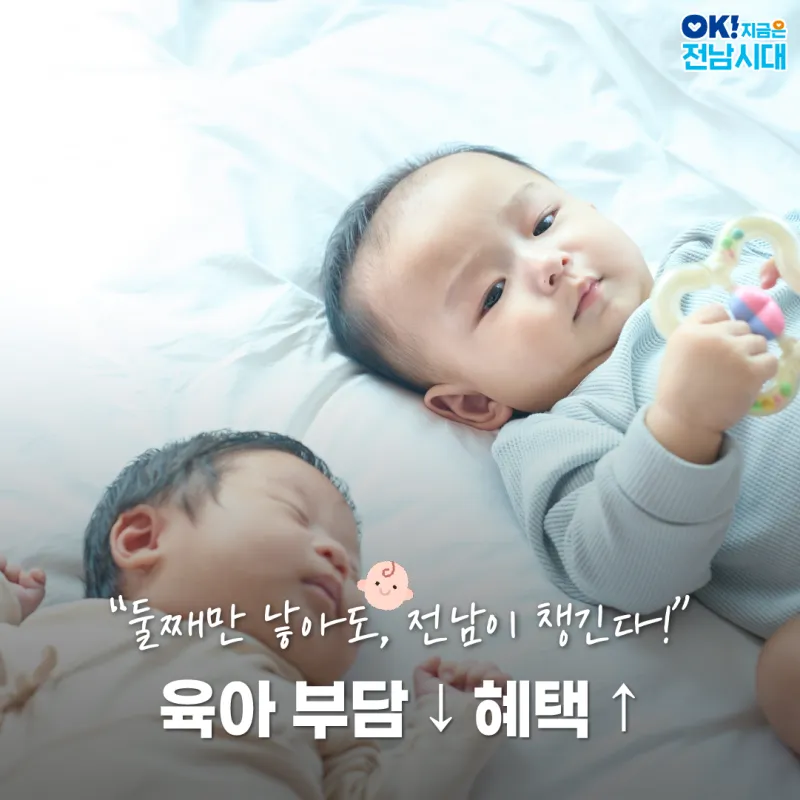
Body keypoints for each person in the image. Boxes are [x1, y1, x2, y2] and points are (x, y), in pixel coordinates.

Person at [321, 144, 800, 752]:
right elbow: (628, 574)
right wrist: (684, 422)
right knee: (786, 676)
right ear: (473, 403)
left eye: (544, 222)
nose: (549, 263)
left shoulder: (715, 256)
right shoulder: (561, 435)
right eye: (493, 294)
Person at [0, 429, 510, 799]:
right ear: (142, 540)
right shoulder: (73, 631)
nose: (339, 561)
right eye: (296, 515)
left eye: (356, 574)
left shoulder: (321, 717)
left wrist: (454, 726)